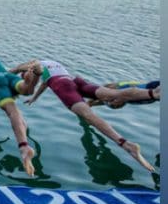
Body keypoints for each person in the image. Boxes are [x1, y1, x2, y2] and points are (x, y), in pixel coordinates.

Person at [12, 59, 156, 172]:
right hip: (76, 82)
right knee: (115, 93)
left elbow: (28, 69)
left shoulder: (33, 66)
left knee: (90, 117)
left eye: (26, 77)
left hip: (63, 87)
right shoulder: (48, 65)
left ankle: (126, 144)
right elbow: (44, 84)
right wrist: (34, 98)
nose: (28, 80)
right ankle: (154, 93)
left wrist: (17, 71)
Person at [86, 80, 160, 108]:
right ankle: (88, 103)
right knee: (110, 90)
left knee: (111, 95)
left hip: (145, 92)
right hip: (139, 88)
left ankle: (88, 104)